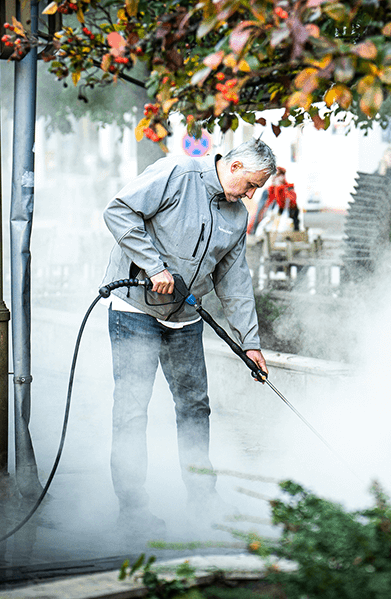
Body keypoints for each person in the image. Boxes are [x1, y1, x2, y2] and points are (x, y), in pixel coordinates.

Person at [100, 137, 276, 536]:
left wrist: (250, 342)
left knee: (195, 408)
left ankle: (203, 500)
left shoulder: (236, 216)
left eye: (256, 190)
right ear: (233, 167)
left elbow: (234, 280)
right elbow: (119, 211)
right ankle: (132, 510)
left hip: (184, 318)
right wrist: (153, 266)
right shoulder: (176, 173)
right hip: (135, 310)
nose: (251, 195)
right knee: (131, 411)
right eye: (250, 185)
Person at [248, 166, 300, 234]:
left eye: (277, 175)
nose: (274, 178)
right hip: (268, 229)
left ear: (283, 176)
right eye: (272, 175)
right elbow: (259, 211)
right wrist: (251, 229)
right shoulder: (267, 192)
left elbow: (289, 208)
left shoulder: (289, 190)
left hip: (285, 229)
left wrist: (279, 188)